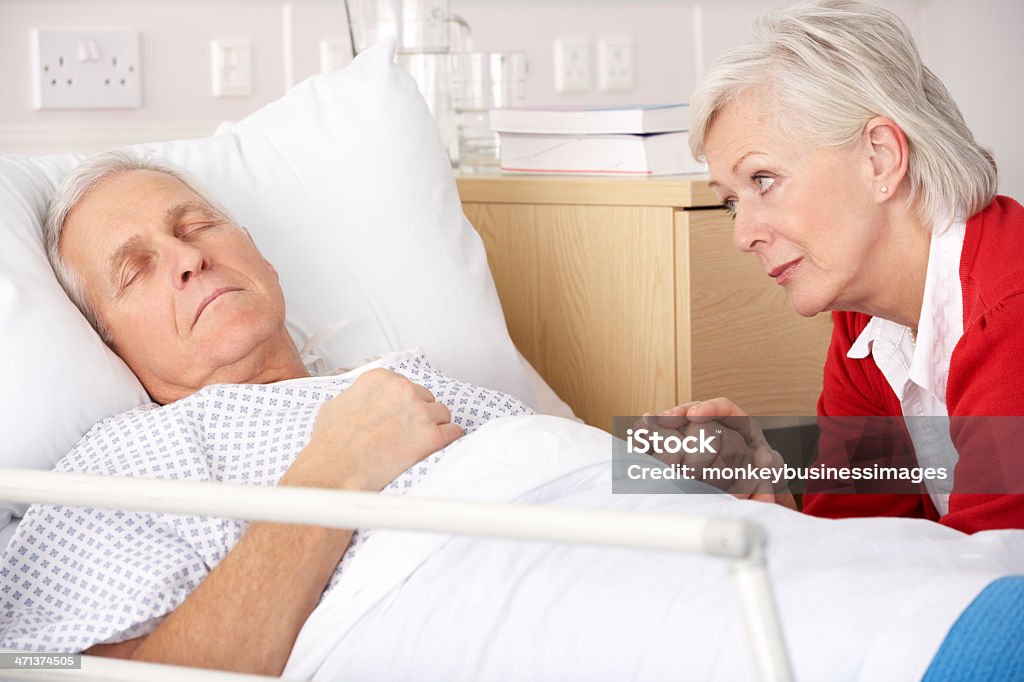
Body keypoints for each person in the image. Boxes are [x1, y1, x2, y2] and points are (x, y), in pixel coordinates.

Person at [0, 149, 533, 675]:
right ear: (110, 345)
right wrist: (333, 473)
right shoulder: (120, 465)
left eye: (197, 227)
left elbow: (584, 457)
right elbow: (52, 671)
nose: (189, 259)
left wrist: (621, 438)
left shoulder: (404, 375)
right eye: (137, 268)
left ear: (263, 260)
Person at [655, 0, 1024, 533]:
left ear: (880, 158)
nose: (742, 235)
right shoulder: (869, 325)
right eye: (732, 201)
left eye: (762, 179)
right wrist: (766, 497)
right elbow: (857, 541)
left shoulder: (1009, 312)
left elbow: (993, 586)